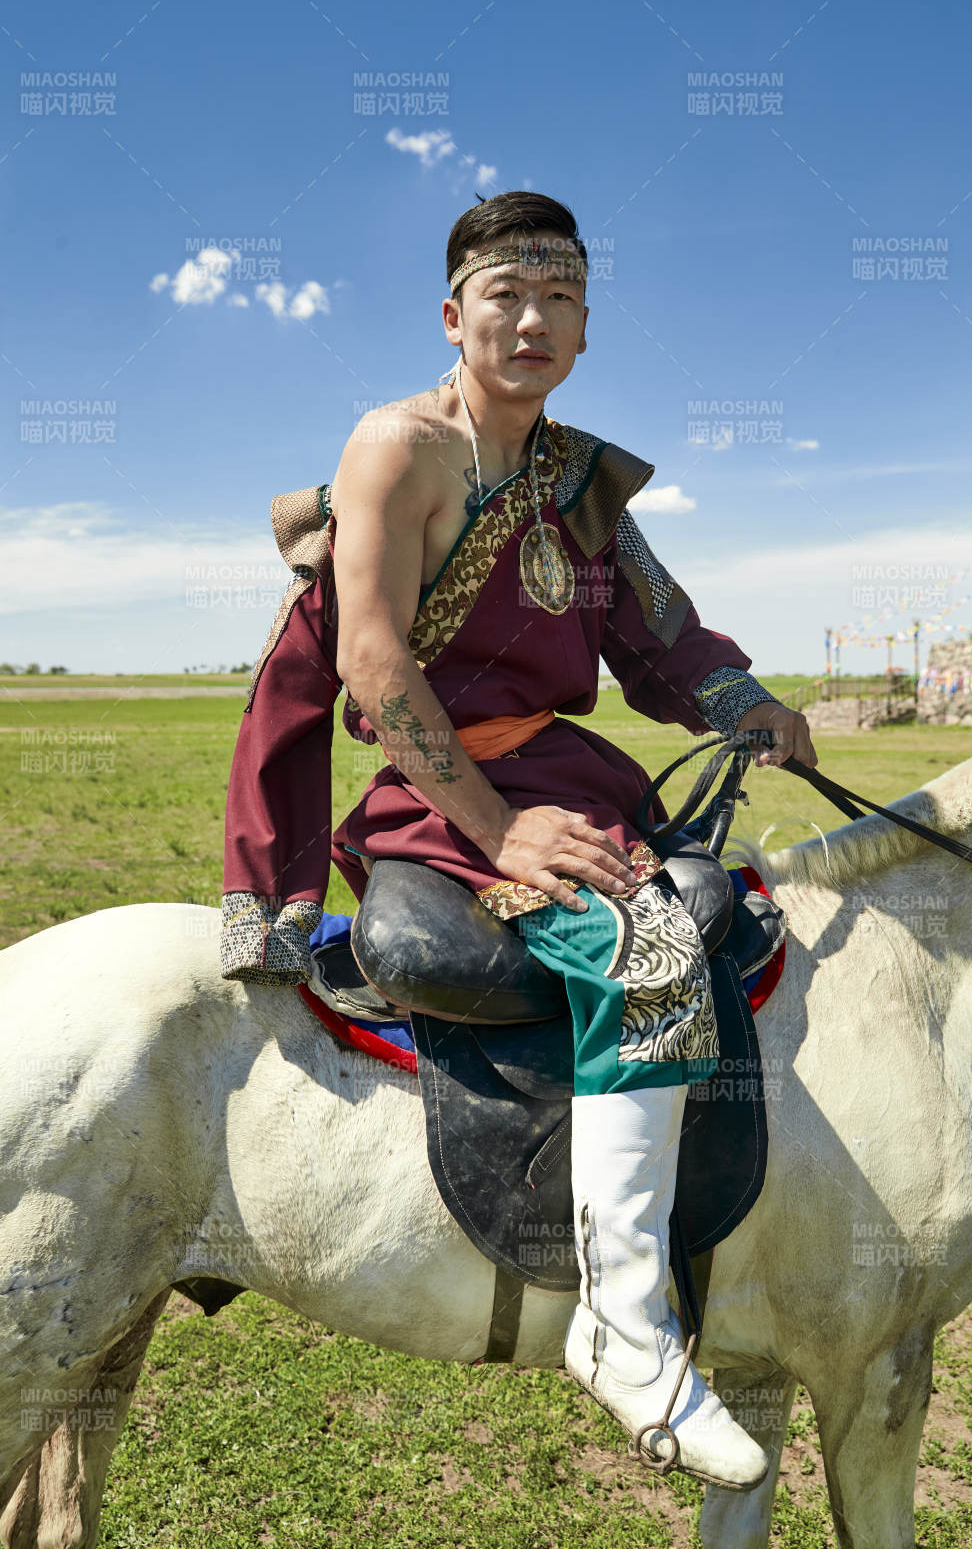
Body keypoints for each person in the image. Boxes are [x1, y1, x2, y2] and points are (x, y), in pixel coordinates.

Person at [220, 191, 817, 1489]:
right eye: (506, 294)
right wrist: (502, 834)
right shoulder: (396, 449)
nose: (532, 319)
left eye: (560, 299)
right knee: (649, 944)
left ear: (588, 329)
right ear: (453, 315)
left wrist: (745, 704)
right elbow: (372, 664)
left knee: (702, 909)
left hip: (567, 780)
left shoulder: (579, 484)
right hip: (443, 806)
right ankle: (629, 1327)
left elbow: (663, 631)